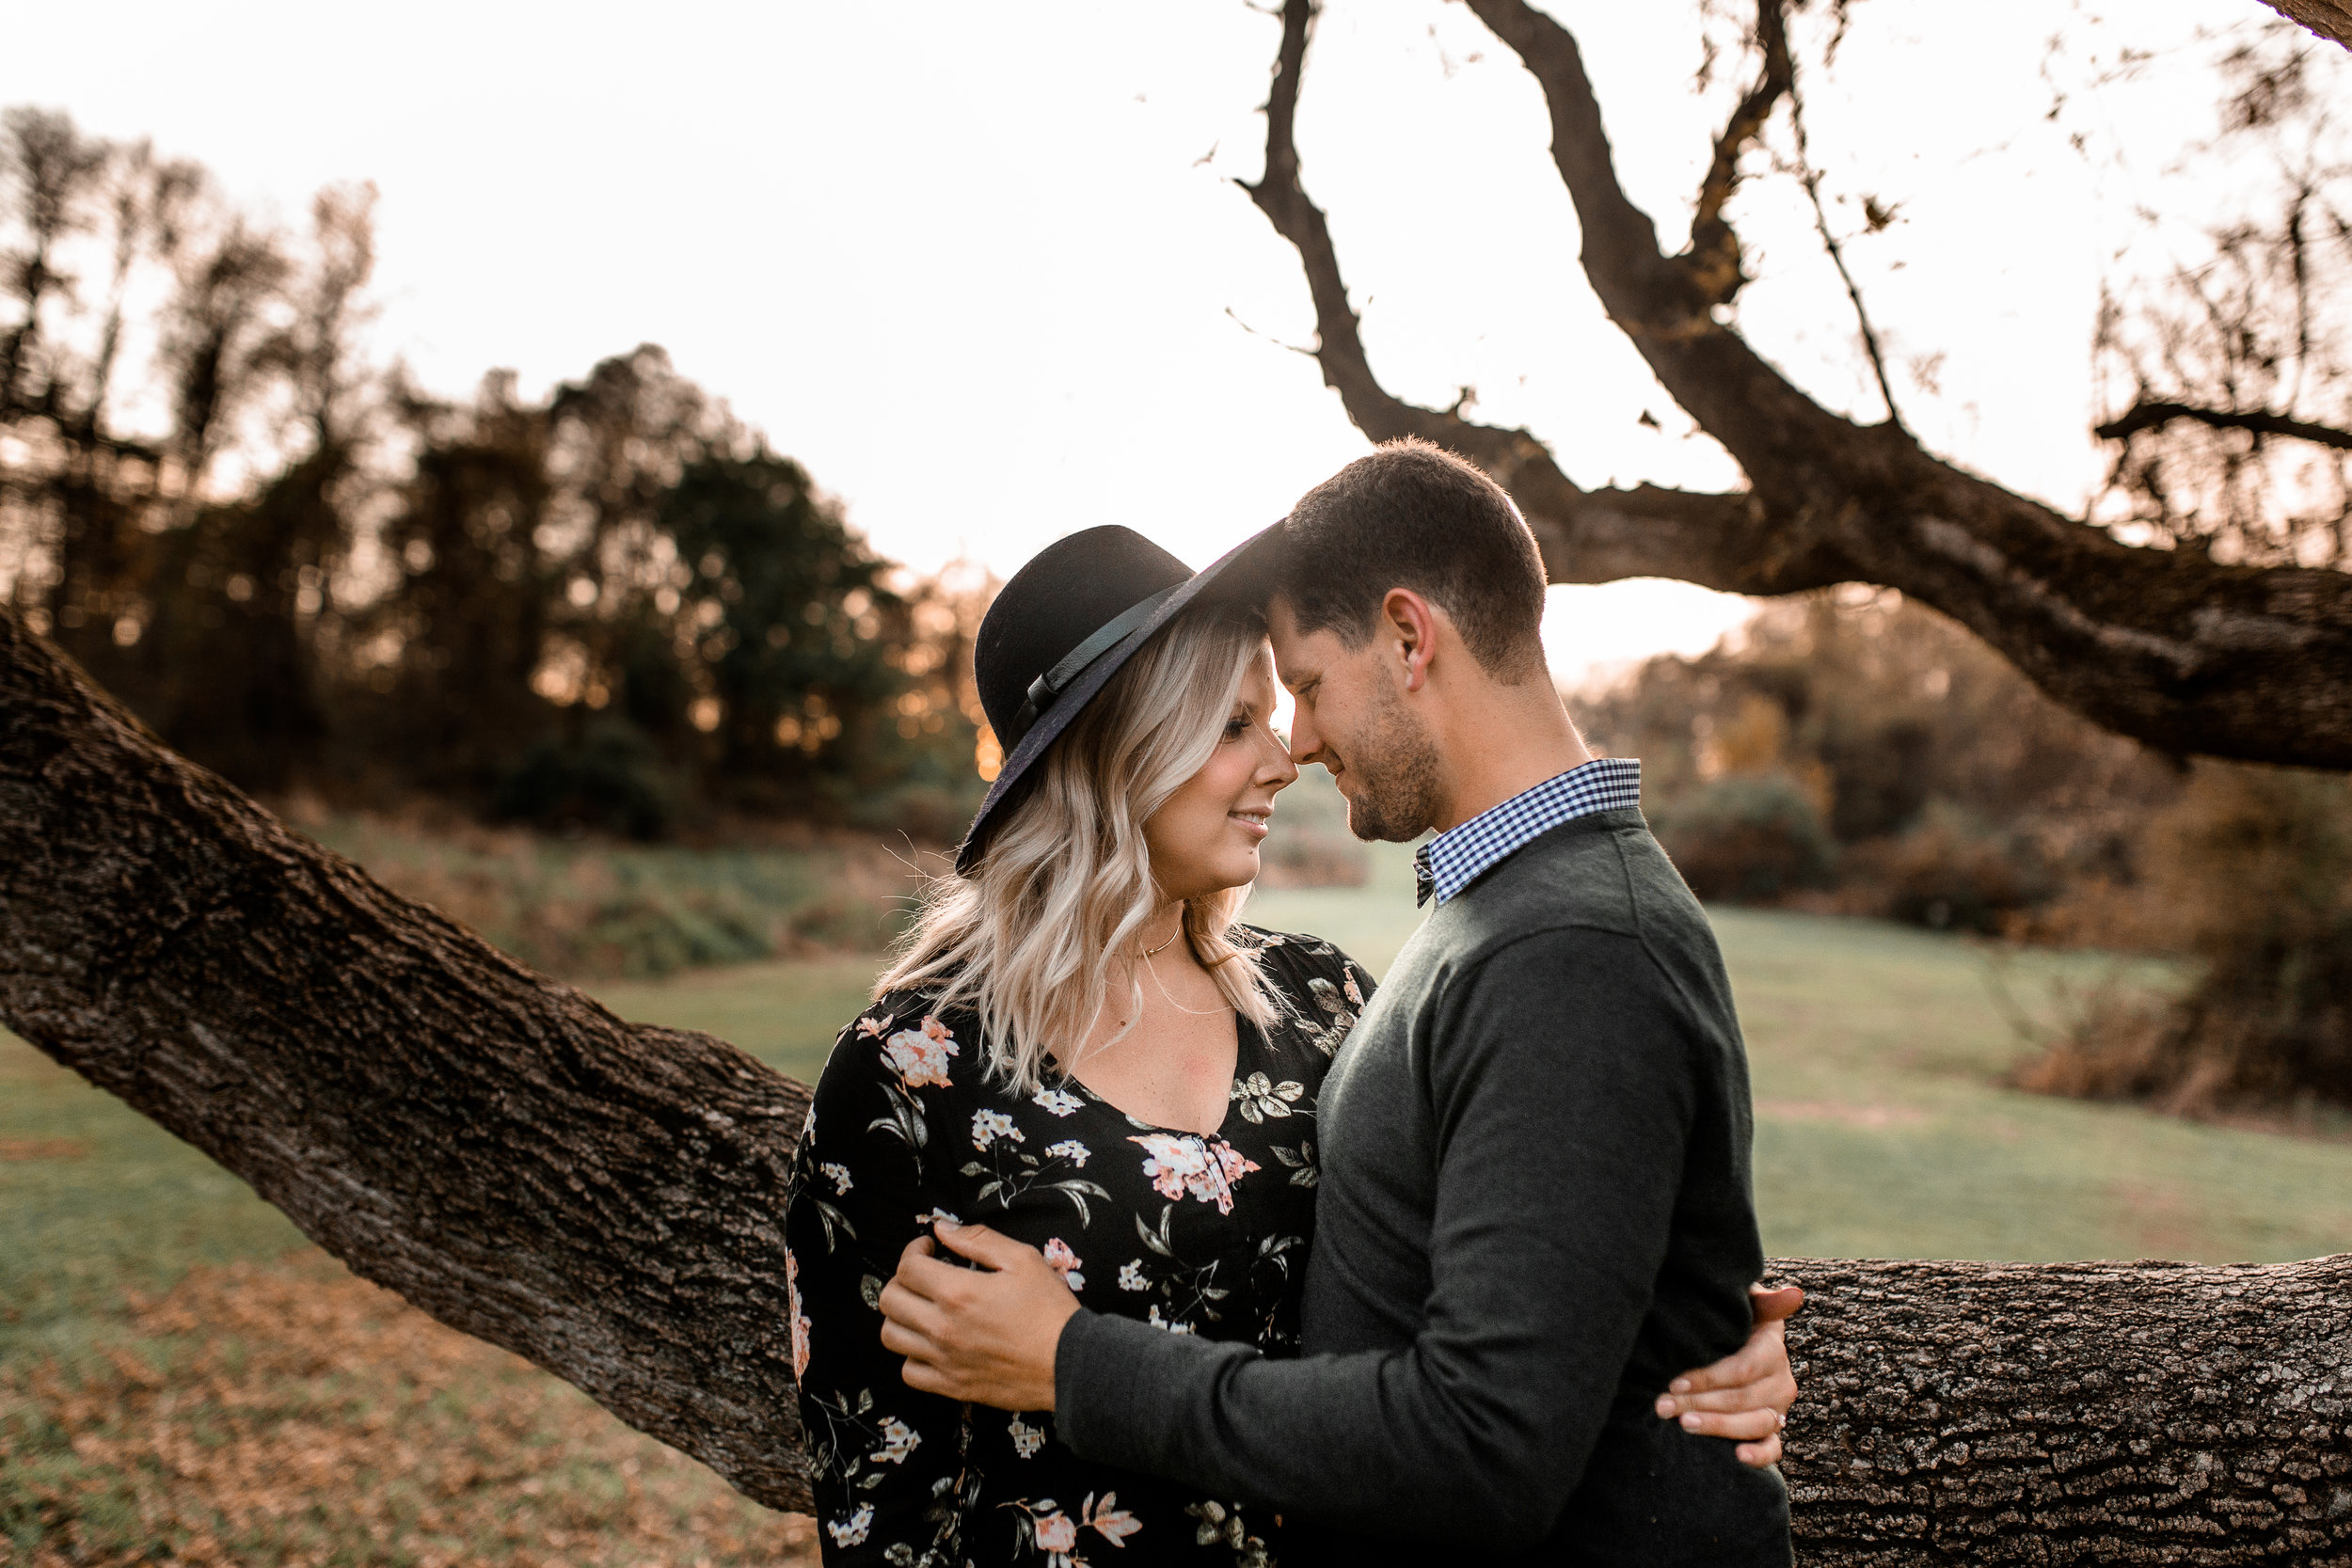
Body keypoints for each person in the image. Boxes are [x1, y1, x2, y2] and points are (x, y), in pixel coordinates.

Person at [786, 515, 1798, 1566]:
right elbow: (875, 1491)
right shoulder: (910, 1069)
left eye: (1282, 709)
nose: (1284, 757)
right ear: (1115, 758)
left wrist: (1695, 1336)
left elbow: (1524, 1233)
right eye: (1233, 725)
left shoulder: (1320, 1003)